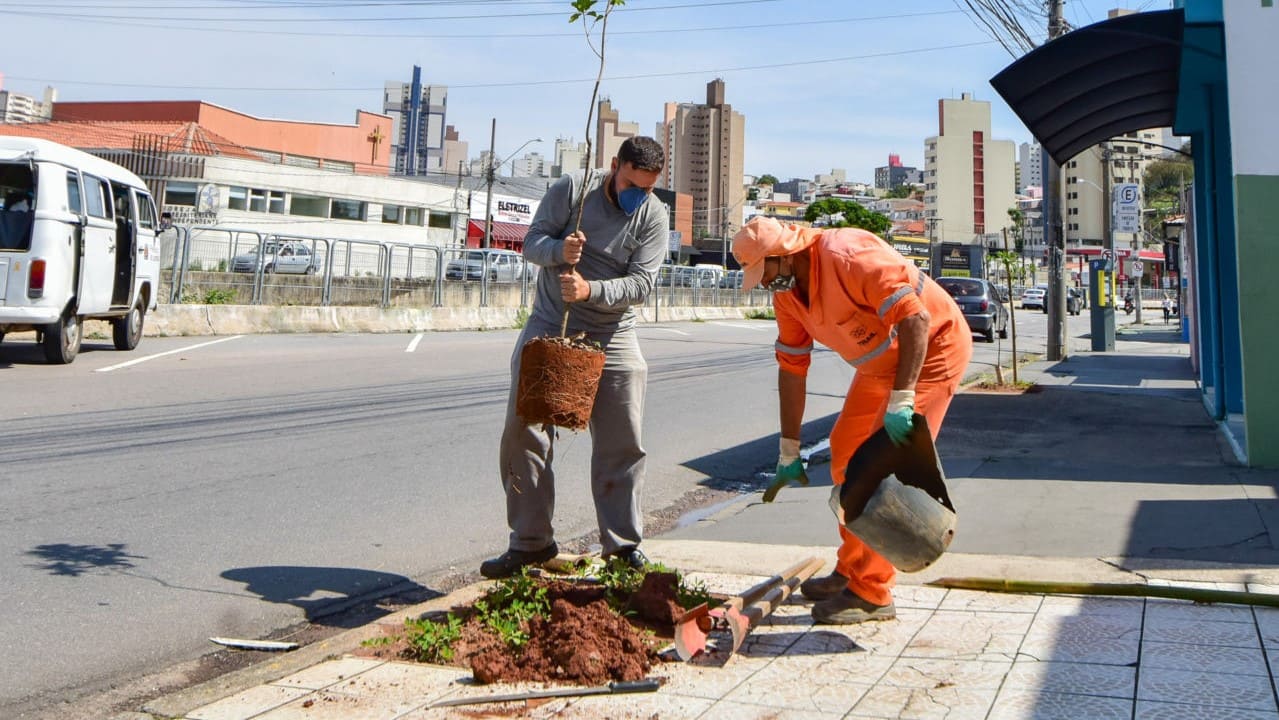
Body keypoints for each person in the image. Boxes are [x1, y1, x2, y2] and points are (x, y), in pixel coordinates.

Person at [731, 216, 973, 624]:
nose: (765, 283)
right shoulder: (788, 297)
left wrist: (903, 400)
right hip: (881, 367)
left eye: (765, 272)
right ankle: (851, 569)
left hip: (931, 352)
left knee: (881, 470)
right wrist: (789, 449)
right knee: (845, 456)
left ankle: (873, 592)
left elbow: (915, 320)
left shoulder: (848, 255)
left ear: (783, 254)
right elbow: (792, 368)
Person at [481, 136, 669, 579]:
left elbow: (641, 285)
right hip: (552, 323)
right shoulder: (572, 191)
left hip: (613, 332)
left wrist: (592, 290)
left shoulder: (653, 215)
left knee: (623, 442)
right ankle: (530, 545)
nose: (636, 196)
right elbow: (530, 244)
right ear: (613, 165)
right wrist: (559, 251)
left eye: (646, 188)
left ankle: (622, 550)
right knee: (523, 432)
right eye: (630, 184)